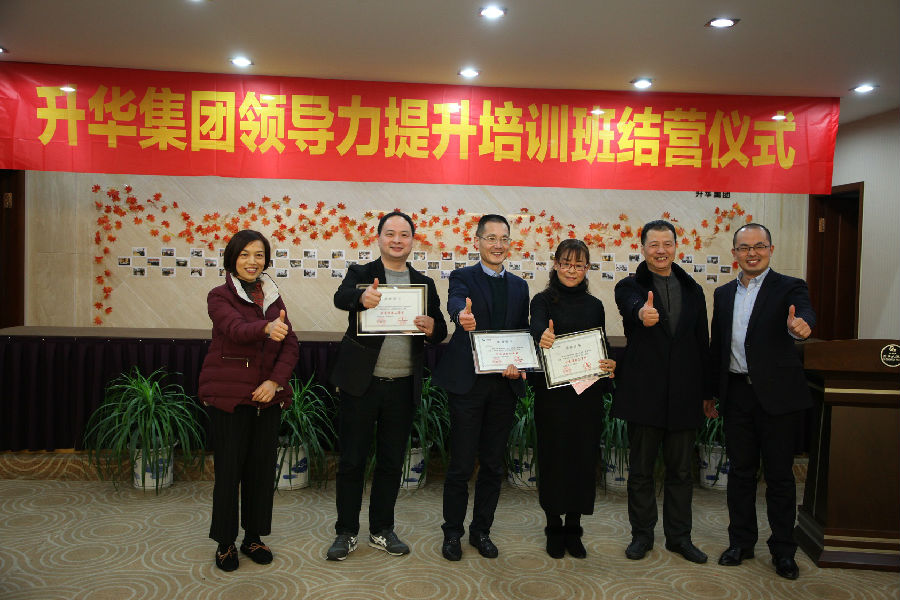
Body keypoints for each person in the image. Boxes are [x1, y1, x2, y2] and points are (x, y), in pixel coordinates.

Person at [326, 211, 447, 561]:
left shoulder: (423, 283)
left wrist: (432, 328)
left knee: (392, 462)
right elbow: (340, 298)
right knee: (352, 461)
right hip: (361, 385)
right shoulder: (361, 274)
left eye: (404, 234)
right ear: (378, 238)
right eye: (390, 233)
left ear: (412, 241)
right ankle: (346, 532)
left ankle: (381, 529)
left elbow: (440, 329)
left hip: (402, 385)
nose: (397, 240)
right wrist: (360, 299)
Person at [708, 222, 815, 580]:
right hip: (737, 393)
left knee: (780, 477)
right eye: (744, 247)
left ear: (771, 249)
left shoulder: (790, 287)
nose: (751, 253)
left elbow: (804, 315)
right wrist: (711, 392)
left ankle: (783, 550)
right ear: (734, 253)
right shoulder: (723, 294)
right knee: (740, 473)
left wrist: (802, 326)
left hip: (778, 397)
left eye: (759, 246)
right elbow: (718, 346)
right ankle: (741, 543)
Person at [198, 229, 299, 572]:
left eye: (258, 255)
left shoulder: (273, 296)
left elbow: (291, 345)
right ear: (232, 258)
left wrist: (275, 382)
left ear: (266, 261)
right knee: (229, 473)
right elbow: (236, 329)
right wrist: (266, 328)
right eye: (244, 254)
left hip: (266, 398)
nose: (252, 261)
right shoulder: (219, 296)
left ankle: (253, 537)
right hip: (230, 398)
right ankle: (225, 542)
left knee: (260, 472)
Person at [611, 219, 710, 564]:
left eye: (667, 244)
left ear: (675, 247)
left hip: (684, 394)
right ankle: (642, 536)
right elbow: (631, 304)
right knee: (641, 471)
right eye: (654, 244)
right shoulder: (629, 286)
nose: (661, 251)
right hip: (645, 394)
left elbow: (702, 342)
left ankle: (680, 537)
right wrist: (642, 312)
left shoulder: (693, 289)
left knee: (681, 472)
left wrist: (707, 393)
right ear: (643, 248)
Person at [433, 214, 529, 561]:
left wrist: (521, 363)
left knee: (492, 465)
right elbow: (456, 302)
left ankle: (481, 531)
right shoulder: (463, 277)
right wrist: (462, 316)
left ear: (509, 243)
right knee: (461, 464)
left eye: (504, 239)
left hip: (504, 386)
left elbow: (521, 332)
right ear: (478, 241)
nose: (497, 245)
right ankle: (452, 533)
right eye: (491, 238)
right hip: (468, 386)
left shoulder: (520, 286)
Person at [529, 238, 616, 559]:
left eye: (578, 265)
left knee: (582, 460)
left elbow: (601, 345)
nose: (571, 270)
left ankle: (574, 528)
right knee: (553, 459)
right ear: (555, 264)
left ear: (587, 268)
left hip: (586, 397)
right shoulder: (542, 300)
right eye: (566, 263)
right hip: (552, 396)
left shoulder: (595, 305)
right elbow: (537, 328)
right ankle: (553, 527)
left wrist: (608, 363)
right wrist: (543, 335)